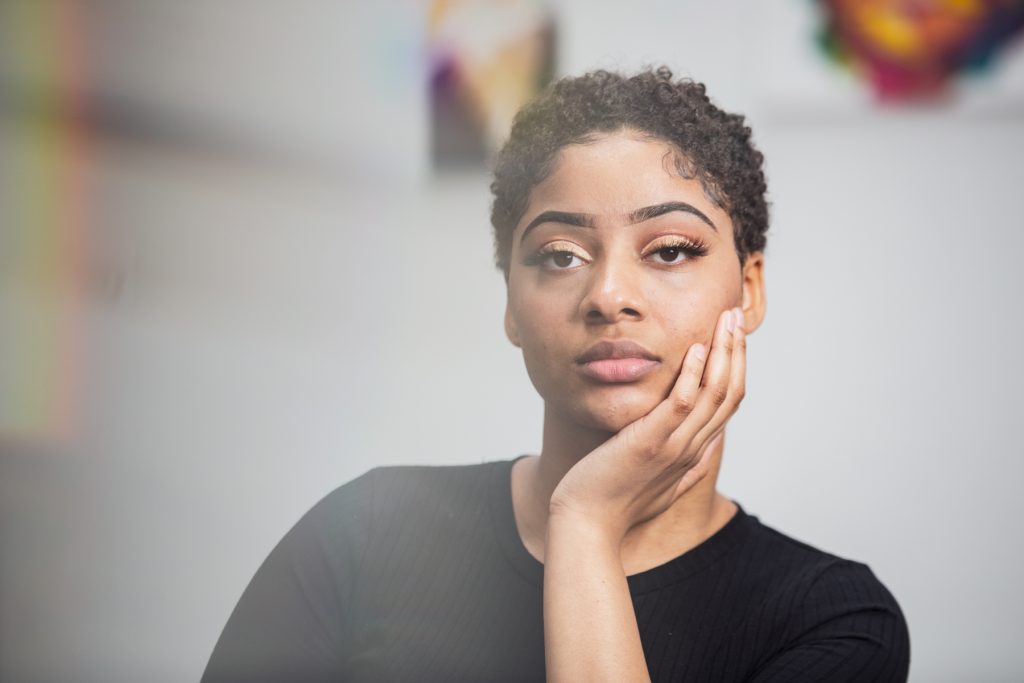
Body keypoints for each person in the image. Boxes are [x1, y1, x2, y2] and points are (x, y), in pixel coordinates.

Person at [201, 66, 910, 682]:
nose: (607, 295)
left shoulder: (835, 620)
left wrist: (586, 523)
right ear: (511, 300)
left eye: (667, 249)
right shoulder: (366, 532)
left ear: (749, 288)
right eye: (560, 255)